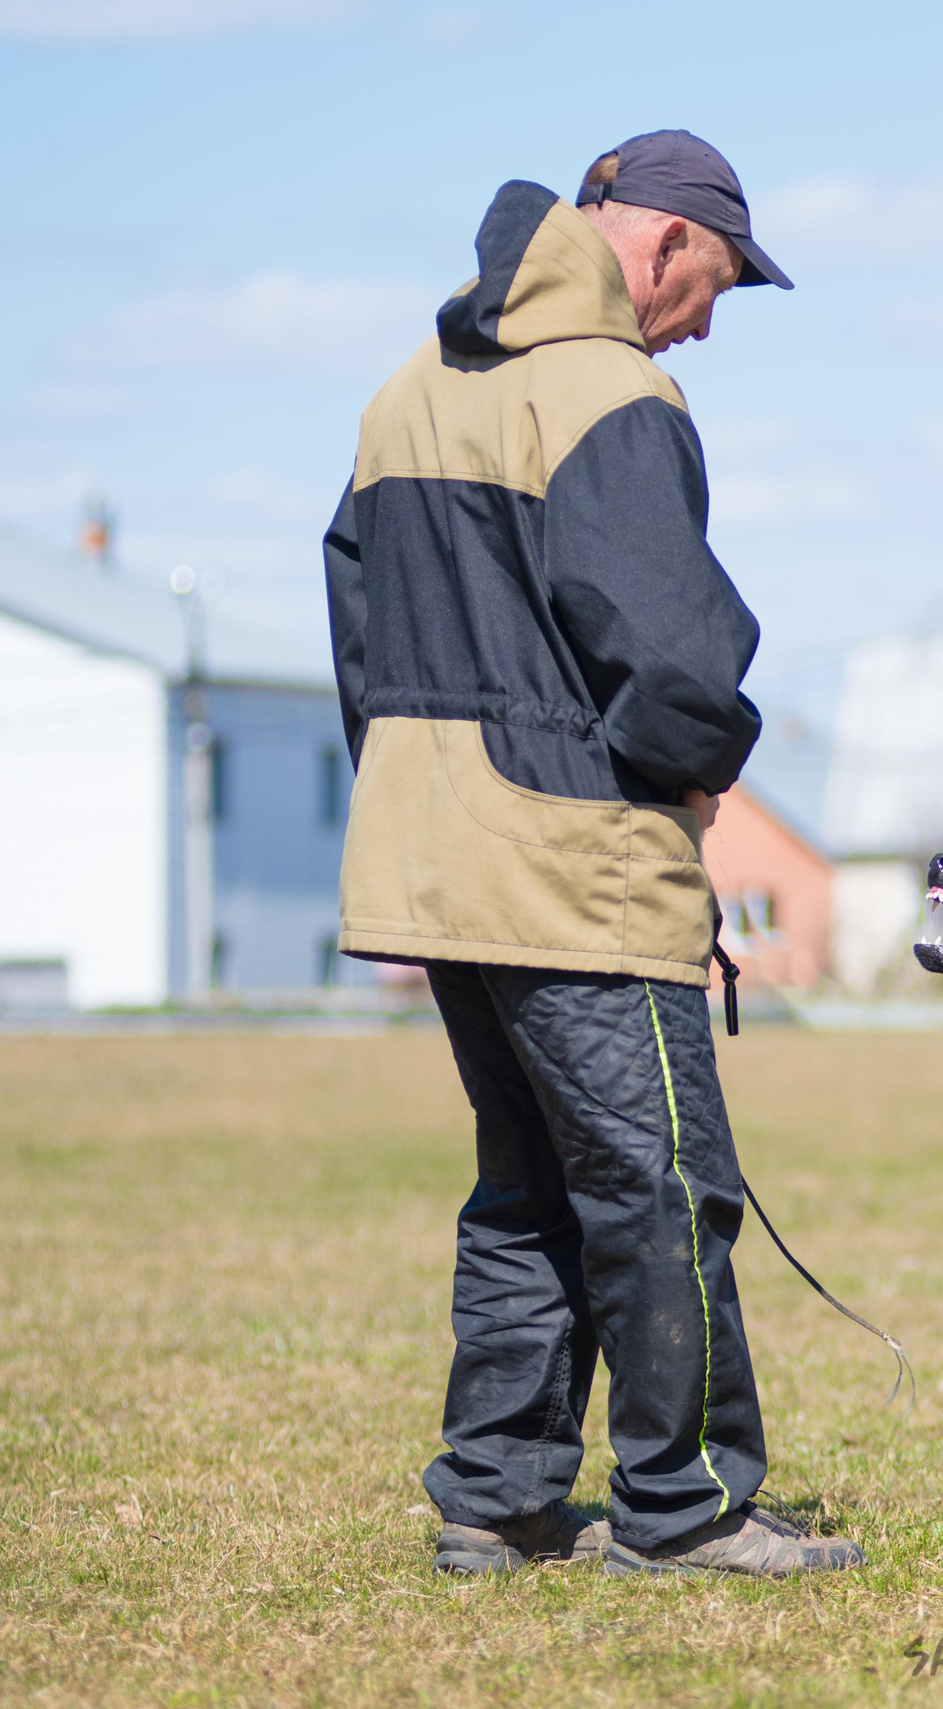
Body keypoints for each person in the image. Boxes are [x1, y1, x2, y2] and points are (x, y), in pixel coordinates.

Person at [323, 131, 862, 1579]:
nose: (705, 323)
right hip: (576, 860)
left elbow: (360, 640)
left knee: (529, 1186)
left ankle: (494, 1500)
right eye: (721, 289)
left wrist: (426, 793)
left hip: (436, 855)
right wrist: (694, 782)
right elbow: (673, 656)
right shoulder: (613, 392)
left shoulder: (405, 392)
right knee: (665, 1182)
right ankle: (685, 1508)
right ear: (666, 243)